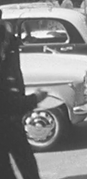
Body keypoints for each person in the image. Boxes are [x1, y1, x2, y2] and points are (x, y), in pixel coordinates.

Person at [0, 9, 48, 179]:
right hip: (6, 118)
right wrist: (33, 100)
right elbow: (5, 101)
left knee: (26, 163)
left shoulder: (7, 39)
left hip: (11, 121)